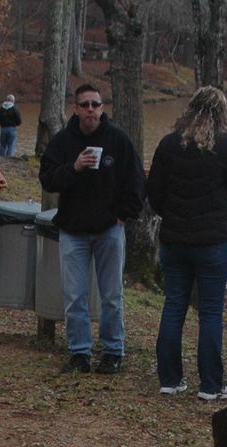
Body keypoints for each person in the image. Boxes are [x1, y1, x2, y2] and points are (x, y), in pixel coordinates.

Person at [146, 86, 227, 401]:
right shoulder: (224, 146)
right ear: (221, 114)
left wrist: (172, 214)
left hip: (175, 240)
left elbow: (153, 192)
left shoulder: (168, 145)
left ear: (190, 109)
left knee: (174, 306)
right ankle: (210, 385)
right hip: (213, 243)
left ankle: (169, 379)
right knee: (210, 312)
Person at [39, 84, 146, 375]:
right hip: (73, 231)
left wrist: (124, 215)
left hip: (109, 229)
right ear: (75, 108)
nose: (90, 110)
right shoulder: (63, 142)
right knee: (74, 295)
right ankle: (79, 353)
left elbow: (136, 182)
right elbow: (47, 179)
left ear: (102, 107)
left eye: (95, 104)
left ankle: (113, 351)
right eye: (84, 104)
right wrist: (73, 168)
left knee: (111, 295)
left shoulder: (118, 140)